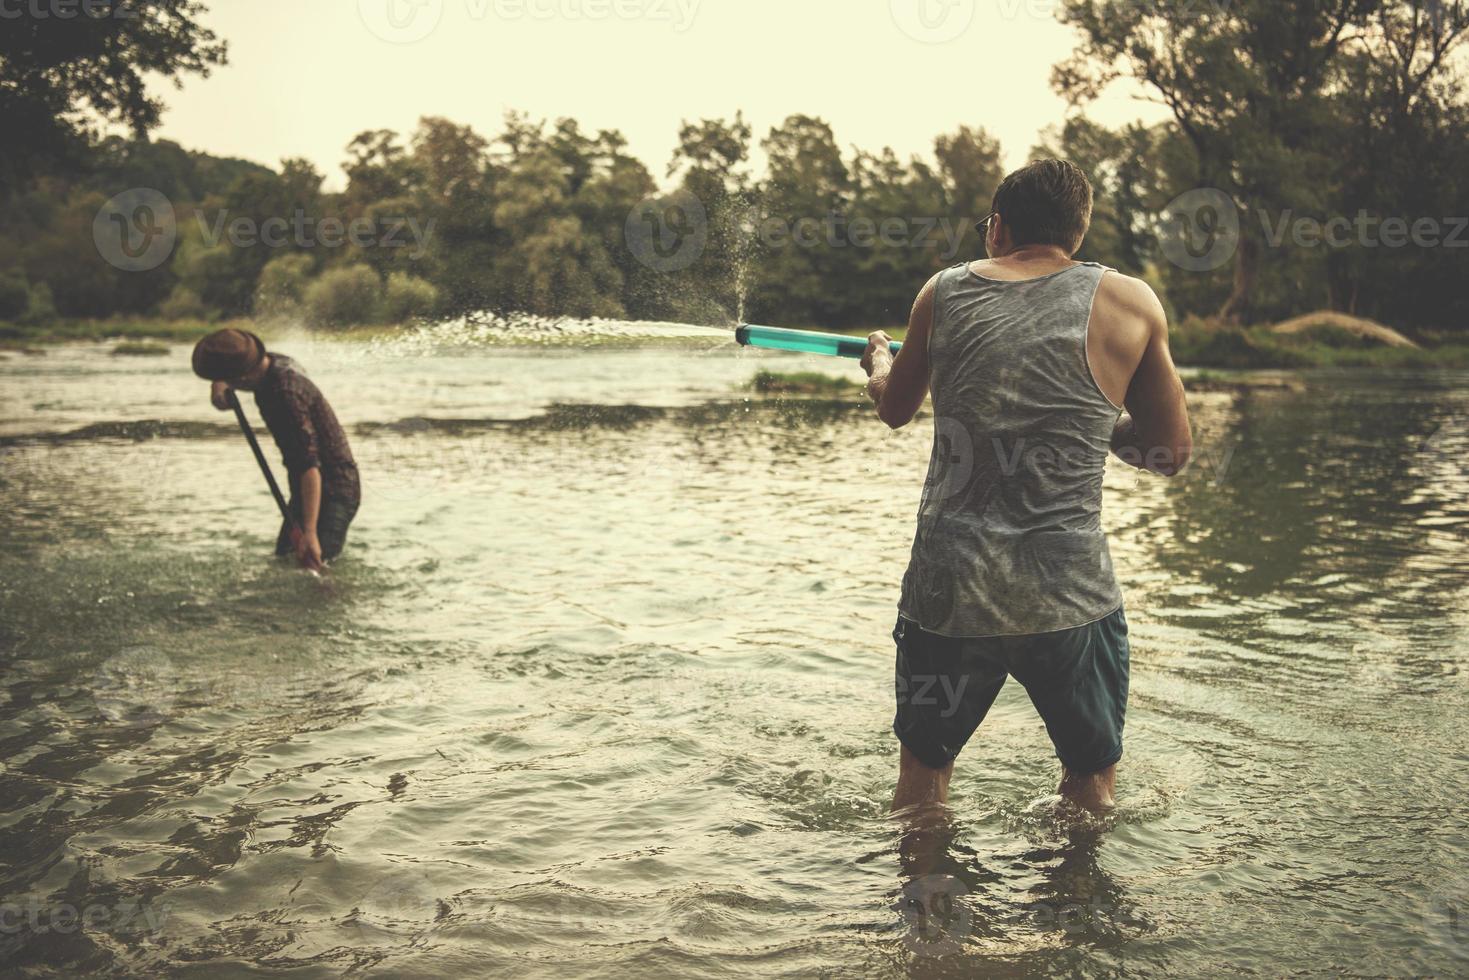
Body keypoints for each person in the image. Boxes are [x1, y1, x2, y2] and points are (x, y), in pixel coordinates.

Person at [861, 160, 1192, 815]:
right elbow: (1170, 452)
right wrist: (1085, 423)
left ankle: (923, 915)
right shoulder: (1131, 303)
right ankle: (1074, 911)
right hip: (1066, 594)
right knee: (1089, 787)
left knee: (922, 785)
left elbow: (894, 408)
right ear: (1077, 230)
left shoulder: (941, 292)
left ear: (998, 228)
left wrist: (878, 364)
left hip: (950, 589)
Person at [192, 329, 361, 567]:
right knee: (285, 562)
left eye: (226, 379)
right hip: (306, 485)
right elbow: (229, 369)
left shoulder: (285, 395)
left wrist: (310, 533)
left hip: (333, 487)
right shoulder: (269, 362)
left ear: (242, 378)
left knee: (313, 567)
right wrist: (218, 387)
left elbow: (309, 466)